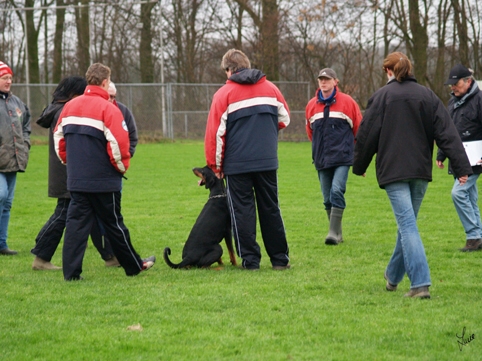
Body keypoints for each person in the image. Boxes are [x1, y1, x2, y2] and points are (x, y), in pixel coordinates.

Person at [353, 52, 472, 299]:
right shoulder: (427, 96)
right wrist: (461, 167)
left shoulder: (381, 97)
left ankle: (420, 284)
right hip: (419, 171)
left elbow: (367, 135)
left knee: (407, 225)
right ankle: (393, 276)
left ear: (388, 71)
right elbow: (447, 133)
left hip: (393, 171)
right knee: (408, 225)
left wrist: (359, 165)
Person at [53, 63, 155, 280]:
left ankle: (71, 274)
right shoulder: (109, 109)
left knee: (75, 227)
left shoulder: (69, 107)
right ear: (105, 82)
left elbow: (58, 140)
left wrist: (69, 163)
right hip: (104, 180)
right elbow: (119, 145)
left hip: (77, 179)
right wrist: (119, 169)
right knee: (114, 225)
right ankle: (134, 266)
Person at [204, 49, 290, 270]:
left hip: (237, 164)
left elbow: (215, 134)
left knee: (242, 211)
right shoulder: (271, 89)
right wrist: (263, 134)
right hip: (267, 161)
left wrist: (216, 166)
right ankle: (280, 259)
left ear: (230, 70)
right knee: (271, 208)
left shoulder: (224, 94)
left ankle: (251, 261)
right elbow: (285, 119)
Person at [305, 68, 362, 245]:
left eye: (327, 79)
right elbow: (310, 133)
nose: (323, 82)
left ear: (335, 82)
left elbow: (358, 129)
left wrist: (358, 157)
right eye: (321, 79)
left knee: (337, 190)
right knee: (327, 198)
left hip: (343, 158)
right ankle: (337, 233)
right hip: (321, 159)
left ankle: (332, 232)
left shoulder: (348, 102)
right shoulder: (311, 106)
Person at [436, 64, 482, 252]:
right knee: (470, 197)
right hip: (458, 157)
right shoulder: (452, 102)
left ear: (468, 81)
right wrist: (441, 153)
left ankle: (472, 236)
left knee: (458, 193)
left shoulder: (480, 100)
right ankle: (479, 236)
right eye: (451, 85)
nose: (453, 87)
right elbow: (449, 131)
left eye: (456, 84)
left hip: (475, 159)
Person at [0, 61, 31, 256]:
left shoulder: (17, 103)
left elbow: (26, 124)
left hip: (13, 160)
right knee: (1, 195)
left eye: (10, 77)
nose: (8, 81)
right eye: (4, 78)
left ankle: (2, 244)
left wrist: (25, 142)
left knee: (8, 203)